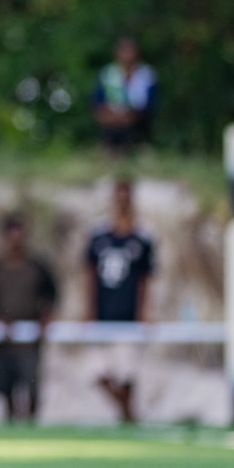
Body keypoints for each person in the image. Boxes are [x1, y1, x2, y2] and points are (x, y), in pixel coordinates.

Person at [86, 178, 154, 423]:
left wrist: (144, 311)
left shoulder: (142, 238)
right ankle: (129, 416)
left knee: (127, 373)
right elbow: (89, 274)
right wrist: (89, 309)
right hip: (104, 313)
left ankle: (127, 416)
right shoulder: (99, 236)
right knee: (97, 372)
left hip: (128, 315)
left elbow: (147, 278)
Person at [0, 216, 58, 423]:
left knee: (31, 383)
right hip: (4, 338)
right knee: (7, 386)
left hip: (30, 336)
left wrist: (45, 319)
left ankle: (32, 424)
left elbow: (51, 294)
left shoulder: (37, 267)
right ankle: (11, 424)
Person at [92, 37, 157, 153]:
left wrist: (131, 115)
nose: (127, 55)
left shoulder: (146, 74)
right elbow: (98, 101)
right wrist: (110, 116)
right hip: (111, 119)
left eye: (130, 51)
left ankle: (136, 147)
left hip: (137, 119)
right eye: (124, 51)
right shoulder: (108, 73)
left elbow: (150, 104)